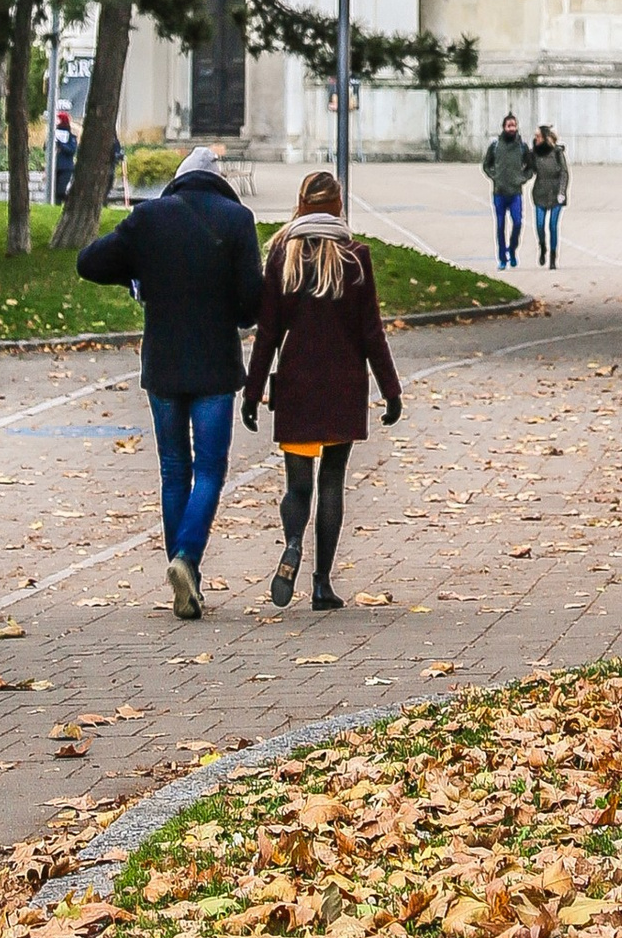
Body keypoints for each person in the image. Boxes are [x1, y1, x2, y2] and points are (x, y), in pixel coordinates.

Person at [78, 143, 263, 619]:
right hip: (215, 366)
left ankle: (185, 578)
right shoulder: (237, 221)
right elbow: (250, 307)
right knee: (210, 468)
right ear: (219, 181)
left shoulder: (149, 217)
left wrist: (139, 275)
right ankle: (187, 559)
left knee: (174, 468)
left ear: (177, 180)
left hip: (162, 364)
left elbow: (90, 262)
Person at [241, 168, 402, 611]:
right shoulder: (355, 257)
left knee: (298, 487)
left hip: (297, 383)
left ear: (300, 204)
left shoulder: (282, 256)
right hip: (343, 384)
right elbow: (372, 332)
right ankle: (322, 584)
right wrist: (391, 390)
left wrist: (252, 394)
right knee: (332, 481)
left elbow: (268, 333)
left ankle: (292, 542)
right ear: (338, 206)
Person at [483, 111, 531, 267]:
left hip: (515, 193)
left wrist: (522, 178)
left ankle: (512, 250)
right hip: (499, 193)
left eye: (514, 125)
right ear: (503, 127)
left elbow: (530, 167)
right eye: (509, 125)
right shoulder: (496, 146)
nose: (512, 128)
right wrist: (495, 176)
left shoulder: (522, 147)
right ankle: (502, 258)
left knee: (517, 223)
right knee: (500, 225)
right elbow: (486, 165)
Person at [528, 122, 569, 267]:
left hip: (556, 192)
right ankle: (542, 246)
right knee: (539, 225)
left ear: (545, 137)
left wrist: (562, 192)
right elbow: (529, 170)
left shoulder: (557, 153)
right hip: (540, 192)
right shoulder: (534, 153)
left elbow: (564, 172)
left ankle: (553, 255)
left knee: (552, 225)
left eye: (538, 136)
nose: (536, 138)